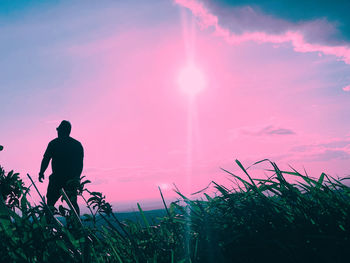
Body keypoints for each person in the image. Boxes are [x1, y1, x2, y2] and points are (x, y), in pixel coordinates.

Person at [39, 120, 84, 216]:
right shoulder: (76, 145)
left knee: (51, 204)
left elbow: (46, 159)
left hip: (59, 179)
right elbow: (79, 164)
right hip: (68, 180)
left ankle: (49, 226)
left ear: (63, 131)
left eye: (59, 130)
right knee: (72, 204)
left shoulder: (54, 144)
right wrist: (77, 178)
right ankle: (77, 227)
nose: (58, 132)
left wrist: (41, 172)